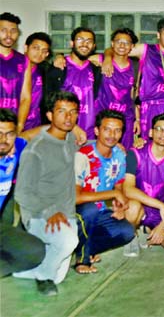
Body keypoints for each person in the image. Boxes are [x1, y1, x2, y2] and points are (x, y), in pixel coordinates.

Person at [13, 91, 81, 296]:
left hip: (65, 213)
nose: (68, 117)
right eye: (62, 112)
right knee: (69, 242)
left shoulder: (70, 139)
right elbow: (22, 193)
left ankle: (23, 271)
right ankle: (42, 276)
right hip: (39, 214)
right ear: (50, 115)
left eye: (73, 112)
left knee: (59, 275)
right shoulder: (36, 149)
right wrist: (49, 211)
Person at [73, 109, 134, 271]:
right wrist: (113, 193)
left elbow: (119, 187)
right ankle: (82, 260)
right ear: (96, 131)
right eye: (107, 129)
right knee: (90, 210)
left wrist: (119, 206)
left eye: (117, 130)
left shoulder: (119, 156)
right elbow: (75, 198)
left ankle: (84, 248)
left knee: (126, 231)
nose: (112, 135)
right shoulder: (83, 155)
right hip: (73, 212)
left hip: (99, 211)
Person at [123, 113, 164, 256]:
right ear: (151, 132)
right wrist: (160, 205)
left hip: (162, 213)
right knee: (132, 207)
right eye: (159, 129)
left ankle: (147, 229)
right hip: (141, 206)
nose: (162, 133)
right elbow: (128, 189)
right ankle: (131, 236)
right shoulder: (135, 154)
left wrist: (162, 226)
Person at [0, 108, 45, 279]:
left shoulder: (18, 146)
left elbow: (37, 132)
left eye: (9, 134)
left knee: (35, 251)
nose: (3, 139)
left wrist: (74, 129)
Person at [45, 27, 100, 139]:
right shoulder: (58, 68)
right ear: (72, 43)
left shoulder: (96, 70)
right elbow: (48, 101)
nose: (85, 44)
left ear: (94, 46)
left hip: (89, 135)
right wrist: (73, 127)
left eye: (89, 41)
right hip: (64, 132)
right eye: (80, 40)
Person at [93, 28, 138, 149]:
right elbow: (77, 59)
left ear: (132, 46)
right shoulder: (100, 60)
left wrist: (137, 119)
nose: (122, 45)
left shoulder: (136, 66)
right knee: (101, 153)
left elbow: (136, 95)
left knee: (123, 154)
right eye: (118, 41)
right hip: (103, 116)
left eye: (127, 42)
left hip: (125, 118)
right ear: (112, 43)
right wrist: (59, 58)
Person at [0, 12, 32, 132]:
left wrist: (19, 127)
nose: (9, 35)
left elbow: (25, 97)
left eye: (13, 31)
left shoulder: (23, 60)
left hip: (12, 127)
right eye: (3, 30)